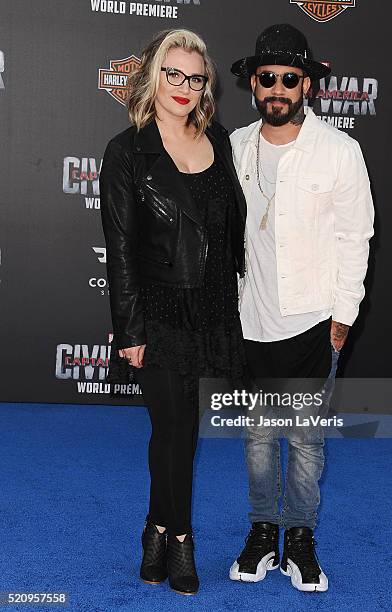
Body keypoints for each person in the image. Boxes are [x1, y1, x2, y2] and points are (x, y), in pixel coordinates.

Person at [100, 28, 247, 596]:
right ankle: (179, 536)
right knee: (176, 427)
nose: (183, 87)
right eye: (173, 74)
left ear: (205, 84)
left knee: (179, 430)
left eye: (195, 77)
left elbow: (228, 226)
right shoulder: (126, 150)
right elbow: (121, 250)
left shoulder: (221, 139)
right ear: (153, 76)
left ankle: (155, 527)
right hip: (158, 308)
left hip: (210, 305)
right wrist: (130, 328)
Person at [228, 24, 374, 592]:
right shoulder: (235, 146)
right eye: (268, 79)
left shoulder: (340, 151)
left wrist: (343, 318)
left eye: (290, 78)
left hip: (315, 319)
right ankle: (264, 530)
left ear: (307, 84)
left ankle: (301, 535)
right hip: (249, 319)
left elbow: (355, 238)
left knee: (306, 440)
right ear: (254, 84)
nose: (278, 89)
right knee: (259, 437)